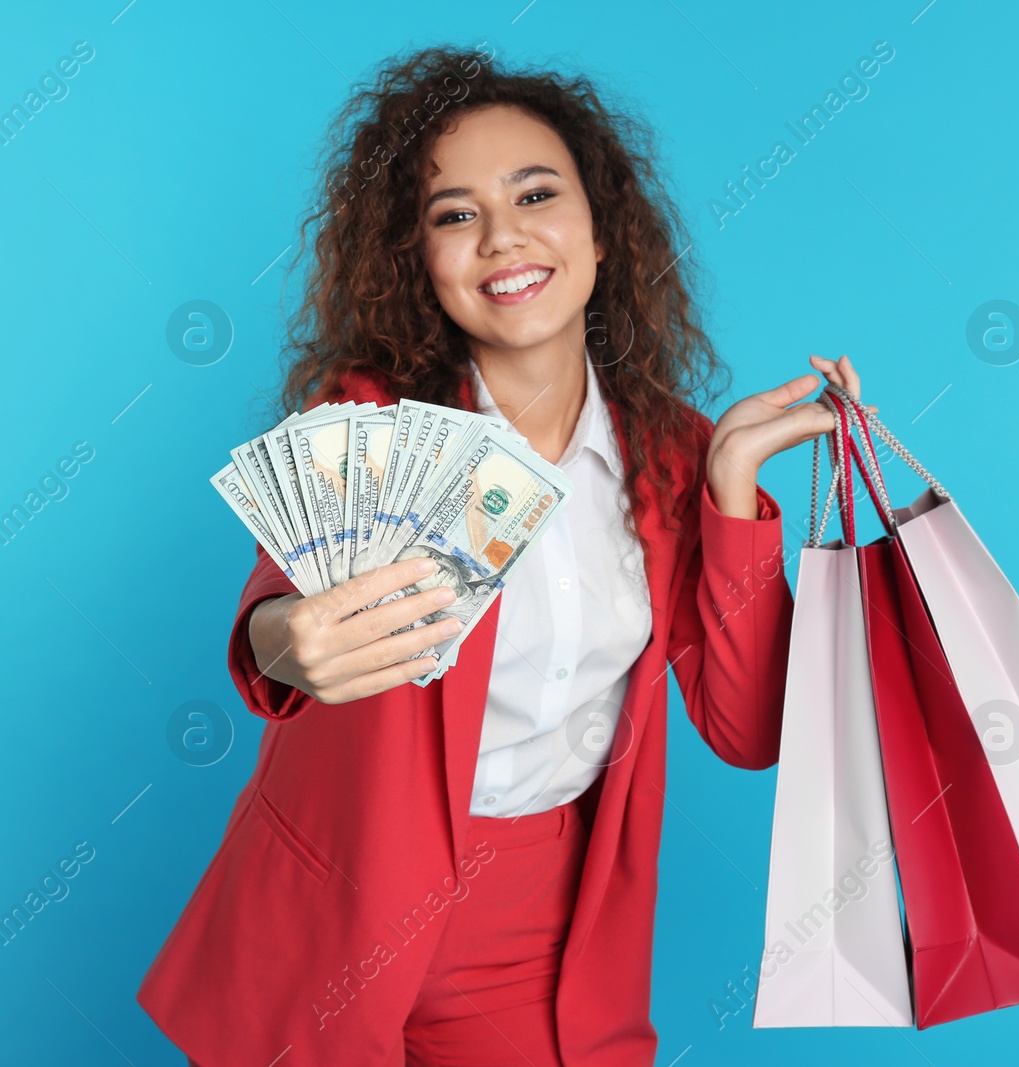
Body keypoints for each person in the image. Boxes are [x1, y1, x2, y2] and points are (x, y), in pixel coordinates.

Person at [136, 43, 876, 1067]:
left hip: (542, 929)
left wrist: (735, 484)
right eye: (454, 213)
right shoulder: (371, 424)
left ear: (603, 233)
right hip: (334, 915)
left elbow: (747, 729)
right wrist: (283, 640)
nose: (502, 237)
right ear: (420, 262)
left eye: (535, 193)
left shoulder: (671, 455)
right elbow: (274, 617)